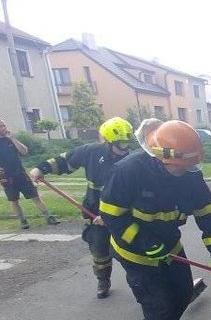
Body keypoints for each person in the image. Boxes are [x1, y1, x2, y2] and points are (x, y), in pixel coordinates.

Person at [99, 119, 211, 320]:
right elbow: (112, 216)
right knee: (159, 305)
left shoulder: (190, 176)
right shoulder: (129, 171)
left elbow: (208, 215)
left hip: (170, 246)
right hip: (134, 253)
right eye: (183, 165)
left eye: (191, 164)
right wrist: (146, 244)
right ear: (163, 158)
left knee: (183, 294)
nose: (188, 169)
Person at [29, 116, 134, 298]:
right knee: (99, 250)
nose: (124, 150)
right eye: (121, 145)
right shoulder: (91, 152)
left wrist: (110, 217)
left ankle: (142, 284)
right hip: (94, 212)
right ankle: (103, 279)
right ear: (108, 141)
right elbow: (64, 161)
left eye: (127, 144)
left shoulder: (133, 161)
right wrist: (40, 169)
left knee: (132, 251)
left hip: (123, 216)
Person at [0, 118, 60, 230]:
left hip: (20, 173)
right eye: (0, 126)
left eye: (4, 125)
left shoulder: (10, 139)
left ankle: (49, 217)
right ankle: (23, 221)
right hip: (6, 175)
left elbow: (24, 151)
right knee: (14, 200)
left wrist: (12, 138)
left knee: (35, 196)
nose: (3, 128)